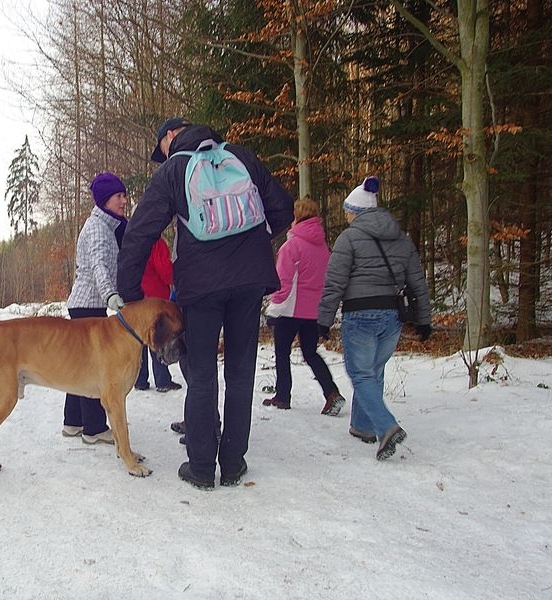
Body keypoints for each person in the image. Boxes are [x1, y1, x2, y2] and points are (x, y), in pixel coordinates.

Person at [116, 117, 293, 490]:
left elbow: (140, 232)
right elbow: (283, 209)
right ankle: (232, 464)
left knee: (202, 373)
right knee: (241, 372)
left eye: (159, 148)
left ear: (169, 138)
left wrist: (130, 293)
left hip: (201, 286)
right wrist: (251, 246)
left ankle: (200, 467)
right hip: (248, 281)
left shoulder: (173, 170)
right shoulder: (241, 157)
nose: (160, 156)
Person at [317, 176, 431, 461]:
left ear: (356, 212)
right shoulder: (401, 239)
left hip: (360, 314)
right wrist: (424, 319)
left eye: (347, 211)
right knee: (374, 370)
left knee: (360, 373)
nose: (345, 216)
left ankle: (386, 427)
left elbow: (334, 283)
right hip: (392, 315)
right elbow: (418, 281)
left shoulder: (349, 238)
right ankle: (362, 425)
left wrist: (324, 319)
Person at [62, 172, 129, 445]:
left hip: (84, 304)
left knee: (79, 366)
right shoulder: (98, 228)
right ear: (104, 200)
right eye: (118, 196)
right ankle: (93, 428)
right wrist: (111, 294)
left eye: (124, 195)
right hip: (89, 305)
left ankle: (73, 422)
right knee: (92, 369)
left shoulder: (103, 224)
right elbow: (100, 265)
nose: (124, 201)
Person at [264, 196, 346, 415]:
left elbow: (283, 281)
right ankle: (331, 393)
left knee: (282, 352)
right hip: (314, 310)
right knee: (310, 352)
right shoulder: (323, 248)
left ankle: (283, 396)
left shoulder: (292, 246)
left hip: (291, 309)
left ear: (296, 217)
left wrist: (273, 308)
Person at [133, 235, 182, 393]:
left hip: (137, 298)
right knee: (157, 336)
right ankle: (162, 380)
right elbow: (166, 272)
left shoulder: (133, 241)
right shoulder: (155, 243)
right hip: (156, 298)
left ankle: (139, 379)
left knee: (140, 338)